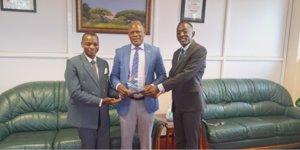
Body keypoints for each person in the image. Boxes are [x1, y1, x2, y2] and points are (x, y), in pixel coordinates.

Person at [145, 21, 207, 149]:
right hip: (178, 105)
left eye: (185, 31)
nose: (181, 35)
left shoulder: (200, 50)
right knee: (180, 142)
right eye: (178, 33)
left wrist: (159, 87)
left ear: (193, 33)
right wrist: (158, 91)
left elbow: (185, 75)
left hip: (192, 105)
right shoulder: (176, 53)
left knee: (191, 144)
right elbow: (172, 76)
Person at [110, 21, 166, 149]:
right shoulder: (120, 52)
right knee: (126, 142)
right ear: (128, 34)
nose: (135, 35)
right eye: (132, 32)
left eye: (138, 31)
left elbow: (162, 75)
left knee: (146, 142)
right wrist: (119, 86)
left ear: (144, 32)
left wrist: (152, 85)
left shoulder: (155, 51)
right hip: (126, 103)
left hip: (147, 103)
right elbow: (113, 76)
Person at [64, 32, 121, 149]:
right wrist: (101, 101)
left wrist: (121, 93)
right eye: (88, 44)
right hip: (85, 116)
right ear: (81, 44)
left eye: (95, 44)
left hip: (103, 117)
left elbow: (106, 88)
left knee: (104, 147)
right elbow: (75, 93)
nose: (92, 47)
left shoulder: (103, 63)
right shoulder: (73, 63)